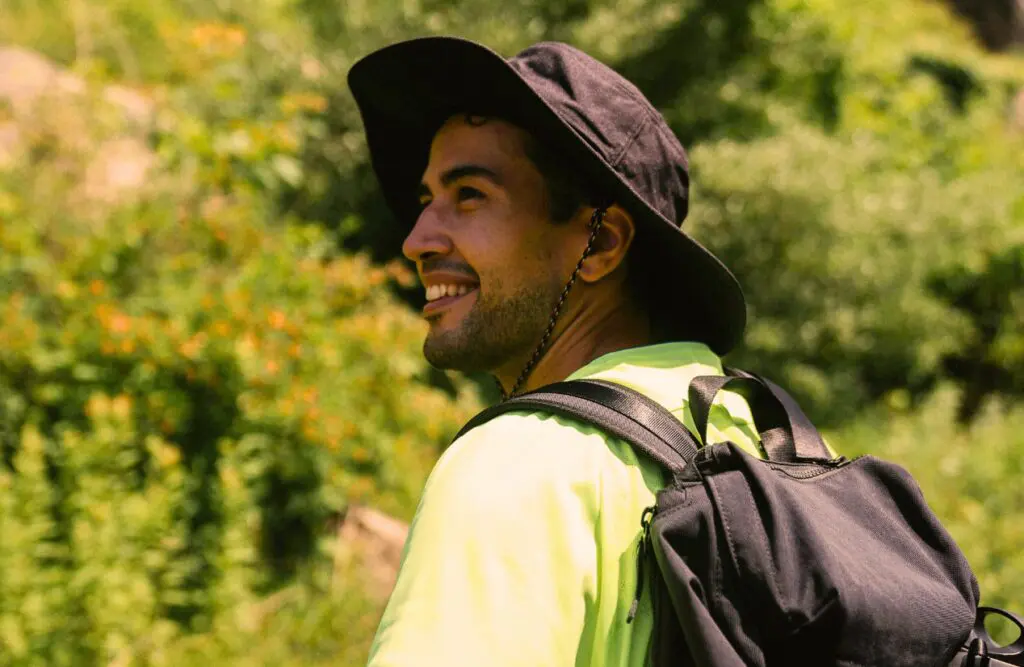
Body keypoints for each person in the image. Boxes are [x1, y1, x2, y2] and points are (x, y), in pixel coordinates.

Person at [347, 37, 767, 666]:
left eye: (469, 196)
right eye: (425, 200)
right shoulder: (751, 436)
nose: (416, 240)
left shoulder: (519, 465)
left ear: (600, 245)